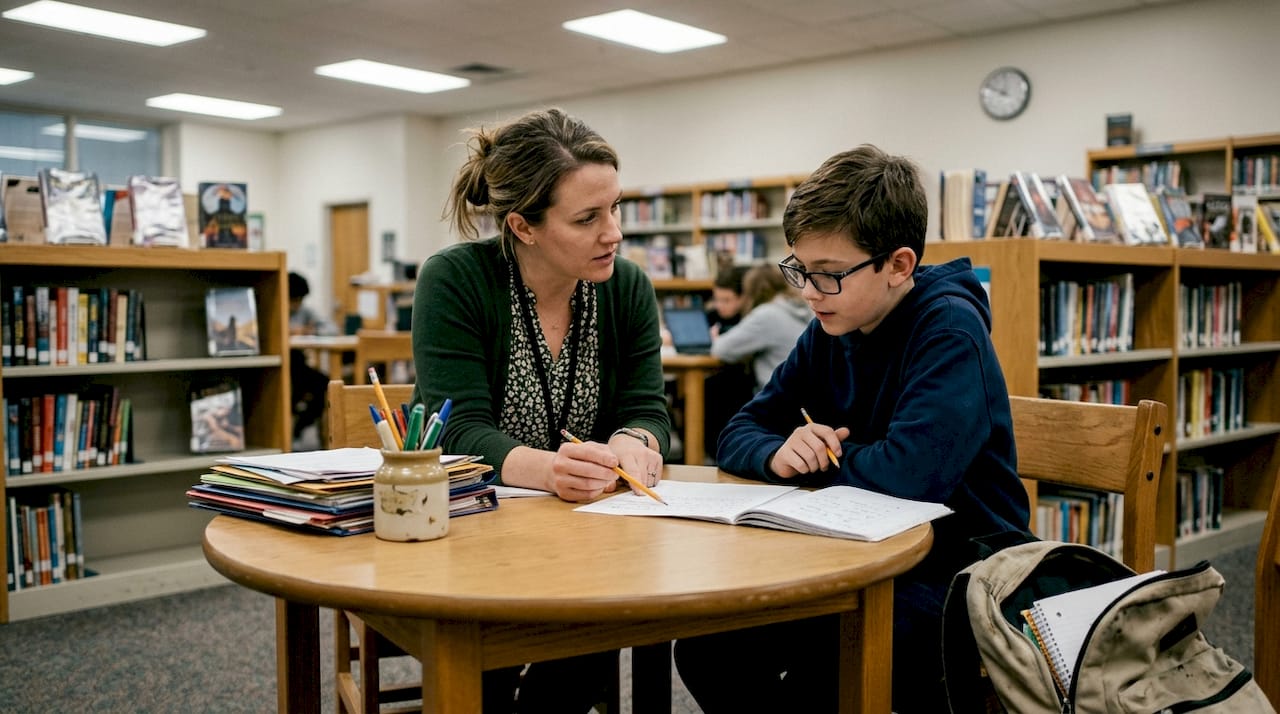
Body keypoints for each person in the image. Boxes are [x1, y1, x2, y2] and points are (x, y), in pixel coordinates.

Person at [672, 144, 1031, 713]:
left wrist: (825, 459)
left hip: (962, 567)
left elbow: (909, 478)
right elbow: (738, 430)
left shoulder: (949, 332)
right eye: (801, 270)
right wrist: (780, 452)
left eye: (830, 274)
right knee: (706, 646)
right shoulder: (831, 325)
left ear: (899, 265)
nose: (810, 292)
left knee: (825, 669)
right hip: (849, 549)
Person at [412, 107, 671, 714]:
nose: (614, 233)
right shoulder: (454, 280)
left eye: (616, 208)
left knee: (587, 638)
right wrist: (554, 469)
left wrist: (637, 439)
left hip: (582, 538)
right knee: (486, 664)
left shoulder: (626, 287)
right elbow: (457, 430)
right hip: (474, 531)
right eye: (588, 218)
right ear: (523, 227)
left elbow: (648, 408)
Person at [709, 263, 810, 392]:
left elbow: (721, 349)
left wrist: (715, 337)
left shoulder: (767, 314)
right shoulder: (799, 308)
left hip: (779, 397)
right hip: (802, 393)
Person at [287, 271, 335, 441]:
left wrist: (311, 330)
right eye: (294, 300)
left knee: (324, 383)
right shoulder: (274, 311)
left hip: (300, 365)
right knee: (294, 388)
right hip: (285, 368)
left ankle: (302, 424)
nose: (297, 305)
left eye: (300, 300)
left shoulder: (305, 312)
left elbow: (331, 329)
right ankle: (291, 428)